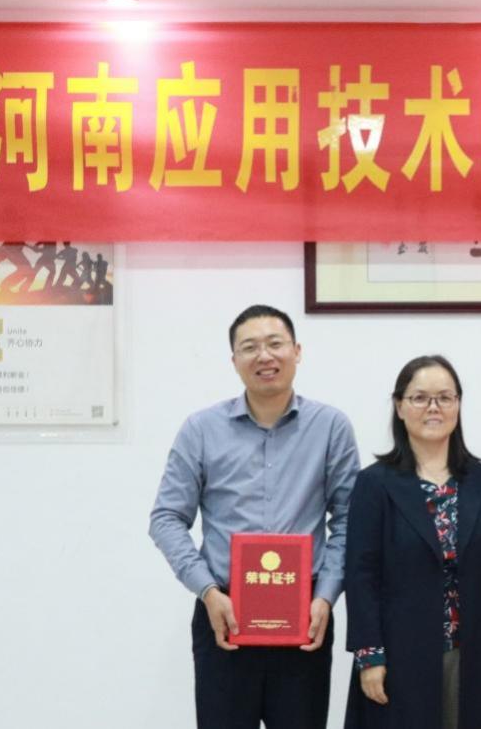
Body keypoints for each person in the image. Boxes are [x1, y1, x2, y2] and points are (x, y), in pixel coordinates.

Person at [149, 304, 360, 729]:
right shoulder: (201, 429)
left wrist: (326, 596)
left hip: (304, 615)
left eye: (275, 343)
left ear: (297, 351)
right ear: (234, 360)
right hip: (223, 615)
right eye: (250, 347)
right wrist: (208, 590)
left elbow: (350, 519)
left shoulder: (330, 426)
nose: (264, 355)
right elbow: (166, 518)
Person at [344, 355, 481, 729]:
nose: (433, 407)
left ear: (458, 405)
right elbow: (361, 576)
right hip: (399, 651)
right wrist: (369, 654)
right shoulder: (375, 483)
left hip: (471, 650)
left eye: (445, 398)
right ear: (399, 407)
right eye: (420, 398)